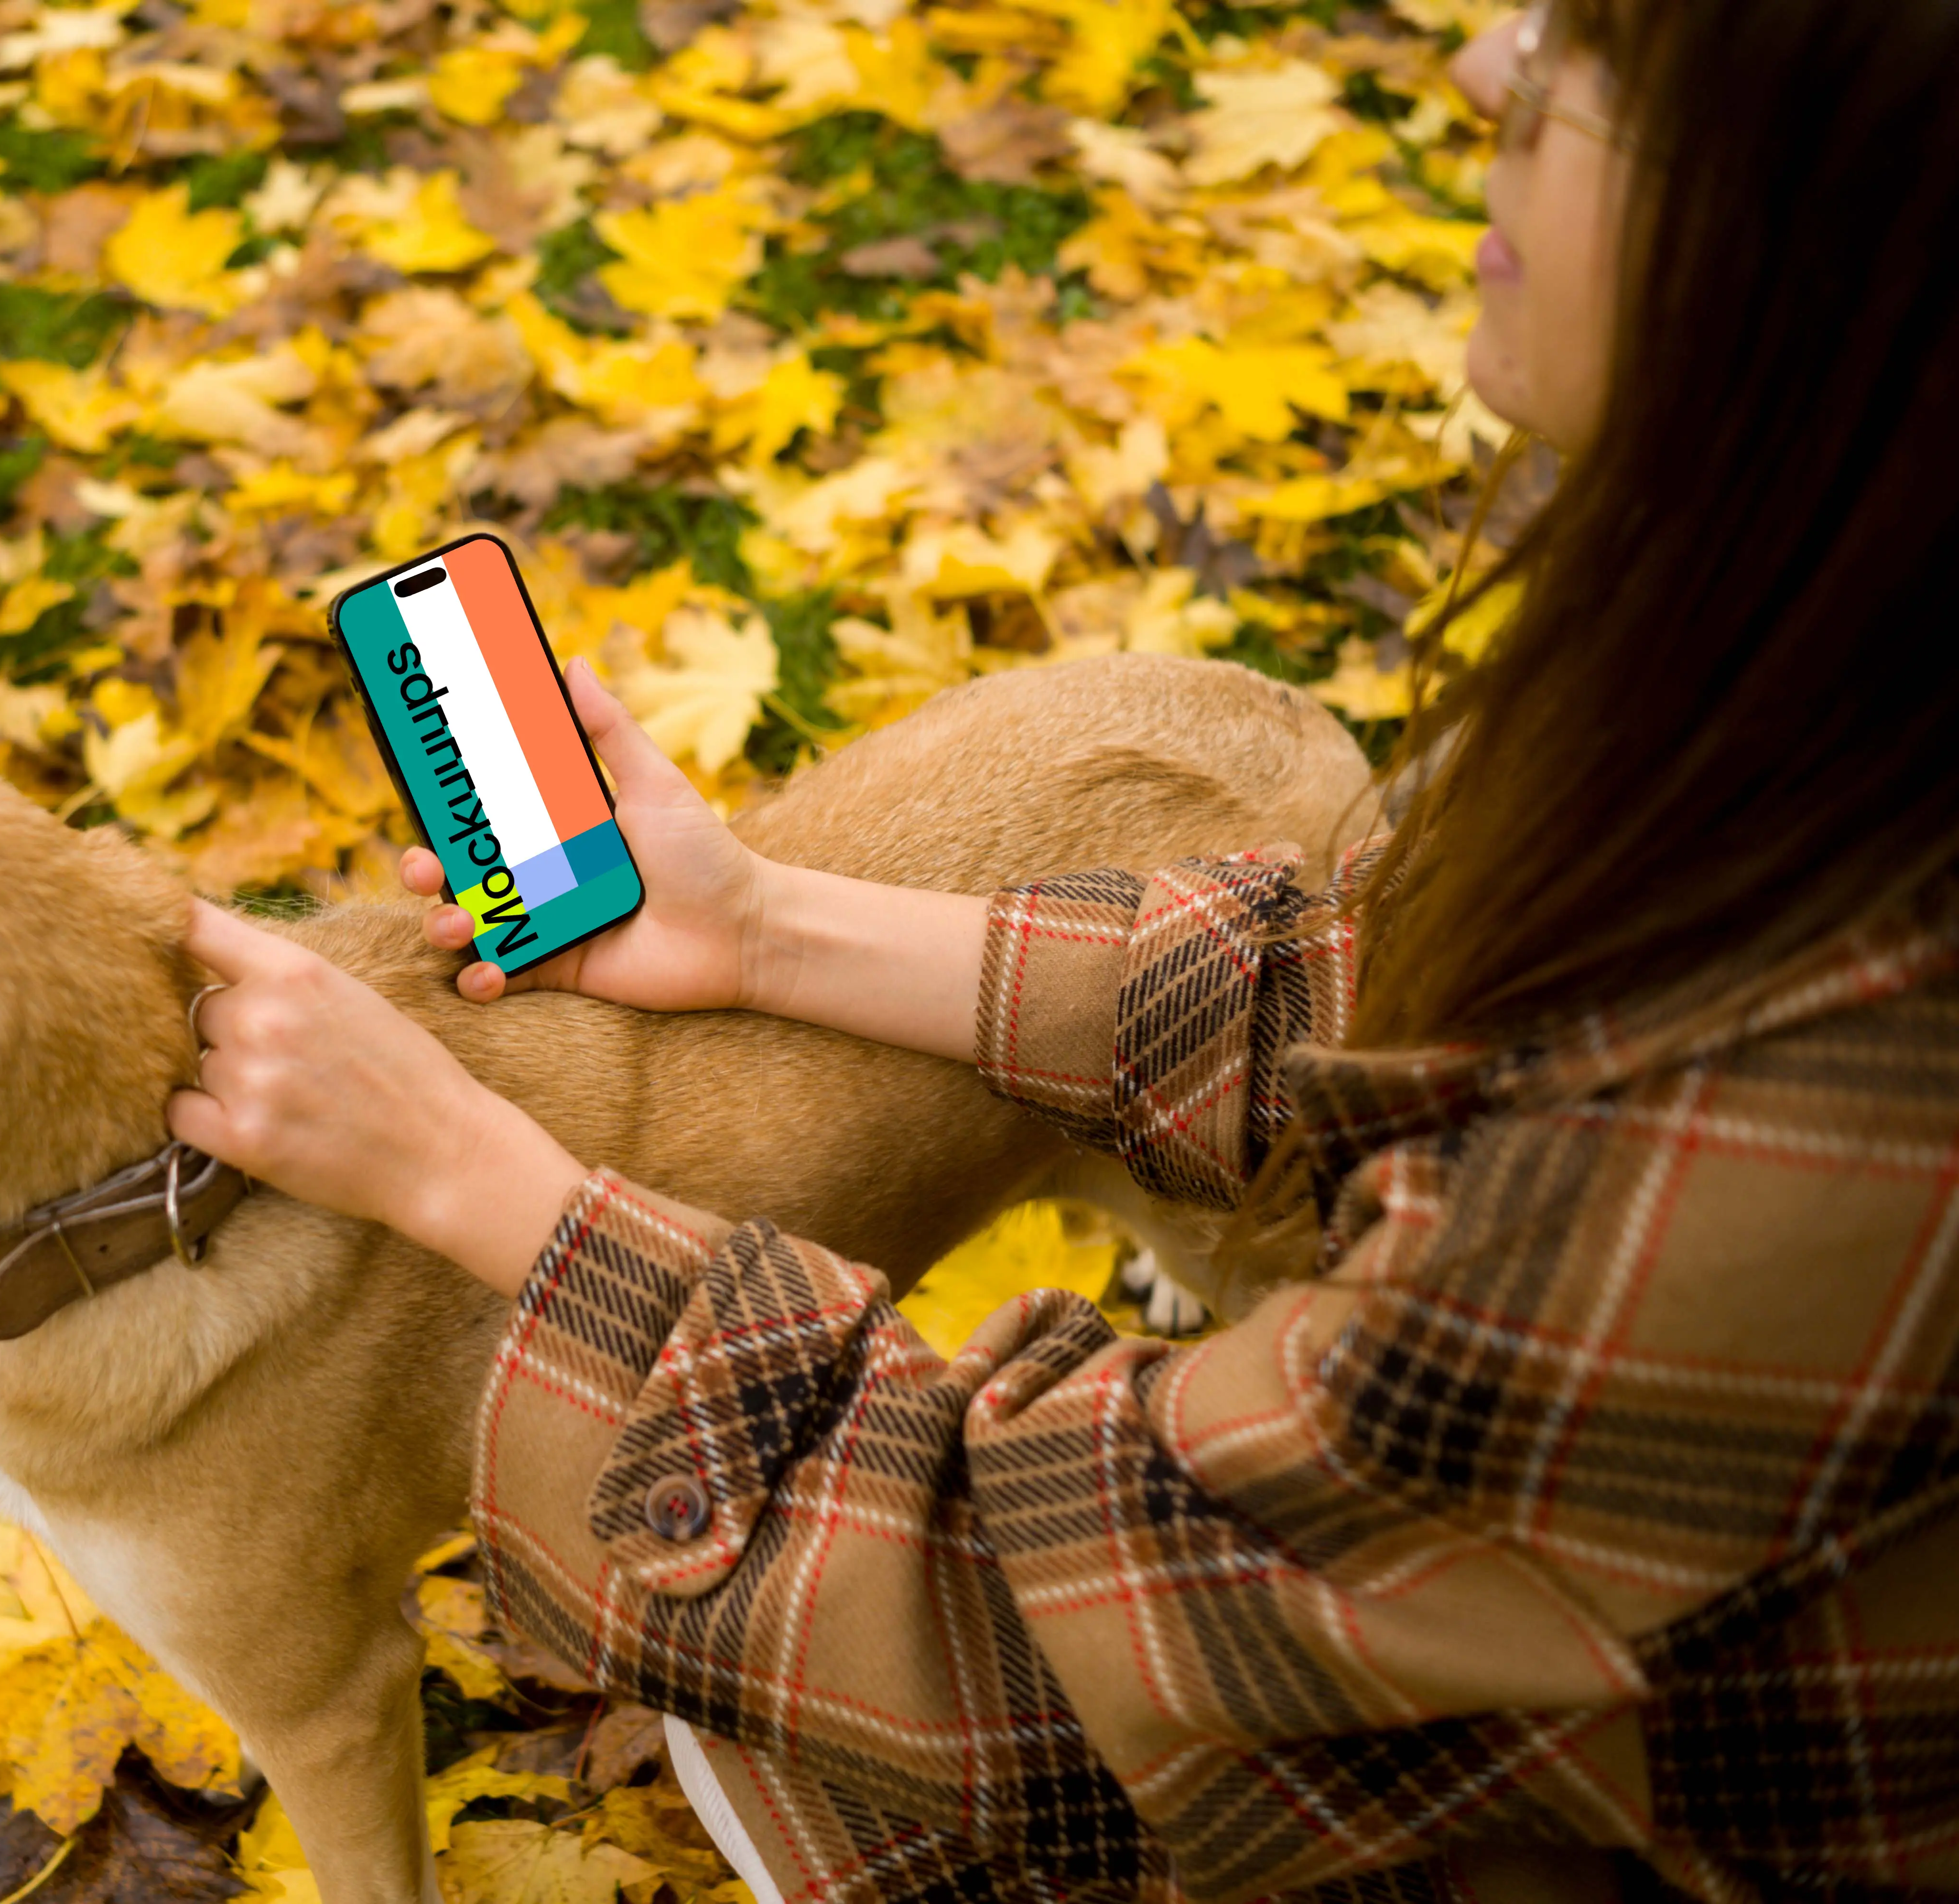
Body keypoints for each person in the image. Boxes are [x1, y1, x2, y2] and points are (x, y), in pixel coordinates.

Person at [168, 1, 1959, 1897]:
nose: (1490, 72)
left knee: (752, 1638)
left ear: (1861, 244)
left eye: (1613, 56)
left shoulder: (1795, 1114)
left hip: (1636, 1815)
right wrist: (771, 926)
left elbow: (1061, 1653)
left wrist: (482, 1182)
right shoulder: (1842, 723)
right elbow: (1398, 987)